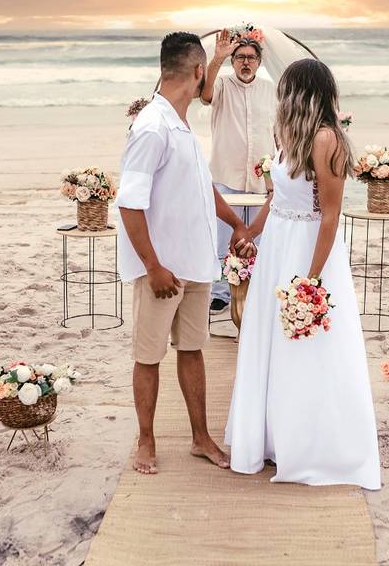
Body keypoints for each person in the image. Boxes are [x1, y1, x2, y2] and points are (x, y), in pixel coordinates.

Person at [224, 59, 382, 489]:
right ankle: (273, 439)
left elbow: (329, 217)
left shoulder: (327, 139)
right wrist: (250, 234)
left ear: (301, 91)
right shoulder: (285, 136)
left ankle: (310, 445)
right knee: (270, 342)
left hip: (311, 252)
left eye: (286, 87)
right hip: (277, 246)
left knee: (307, 349)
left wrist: (310, 279)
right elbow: (277, 200)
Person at [117, 32, 255, 475]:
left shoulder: (181, 125)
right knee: (148, 355)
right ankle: (146, 440)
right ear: (198, 72)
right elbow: (128, 202)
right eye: (206, 72)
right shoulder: (152, 127)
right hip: (162, 270)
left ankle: (200, 438)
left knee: (192, 350)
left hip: (197, 265)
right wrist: (153, 266)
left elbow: (202, 186)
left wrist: (235, 222)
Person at [201, 28, 276, 312]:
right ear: (233, 61)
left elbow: (277, 132)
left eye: (251, 58)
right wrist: (217, 57)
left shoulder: (270, 90)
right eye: (240, 57)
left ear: (259, 62)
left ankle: (254, 289)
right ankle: (220, 292)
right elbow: (205, 96)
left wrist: (275, 175)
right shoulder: (221, 84)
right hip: (225, 175)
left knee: (257, 237)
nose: (246, 62)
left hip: (260, 181)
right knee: (223, 238)